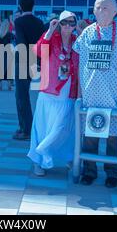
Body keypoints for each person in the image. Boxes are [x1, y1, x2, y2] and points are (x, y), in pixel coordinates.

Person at [72, 0, 117, 188]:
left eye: (106, 8)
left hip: (115, 96)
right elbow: (80, 65)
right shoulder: (87, 33)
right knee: (90, 137)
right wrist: (79, 92)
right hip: (91, 97)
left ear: (115, 12)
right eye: (98, 8)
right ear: (93, 11)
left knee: (113, 139)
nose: (101, 11)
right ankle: (89, 171)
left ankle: (112, 173)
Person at [28, 11, 79, 176]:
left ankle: (68, 157)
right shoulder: (52, 38)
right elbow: (38, 50)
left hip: (68, 92)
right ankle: (38, 161)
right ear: (59, 24)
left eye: (72, 23)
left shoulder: (77, 41)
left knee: (65, 128)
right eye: (65, 22)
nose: (68, 26)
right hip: (50, 91)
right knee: (43, 127)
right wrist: (50, 30)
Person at [13, 0, 45, 140]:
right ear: (34, 6)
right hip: (37, 62)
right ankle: (31, 126)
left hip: (23, 62)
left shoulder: (18, 22)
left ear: (20, 6)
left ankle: (25, 129)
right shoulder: (39, 22)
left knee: (21, 96)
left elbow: (21, 42)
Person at [0, 19, 14, 91]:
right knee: (9, 69)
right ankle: (9, 85)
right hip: (8, 53)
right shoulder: (10, 34)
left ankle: (0, 85)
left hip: (0, 53)